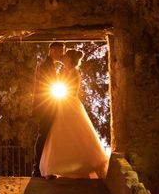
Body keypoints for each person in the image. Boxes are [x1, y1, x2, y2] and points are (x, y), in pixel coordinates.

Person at [39, 48, 109, 179]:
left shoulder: (74, 73)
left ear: (70, 59)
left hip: (70, 105)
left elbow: (69, 89)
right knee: (63, 135)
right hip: (63, 104)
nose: (63, 57)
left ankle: (83, 163)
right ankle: (66, 167)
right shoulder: (65, 71)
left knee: (77, 134)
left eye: (65, 57)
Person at [31, 41, 65, 177]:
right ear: (51, 49)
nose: (60, 54)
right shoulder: (45, 65)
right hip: (45, 106)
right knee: (43, 136)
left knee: (46, 136)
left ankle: (43, 168)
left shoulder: (50, 65)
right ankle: (37, 169)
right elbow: (46, 86)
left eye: (62, 51)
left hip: (48, 105)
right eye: (58, 51)